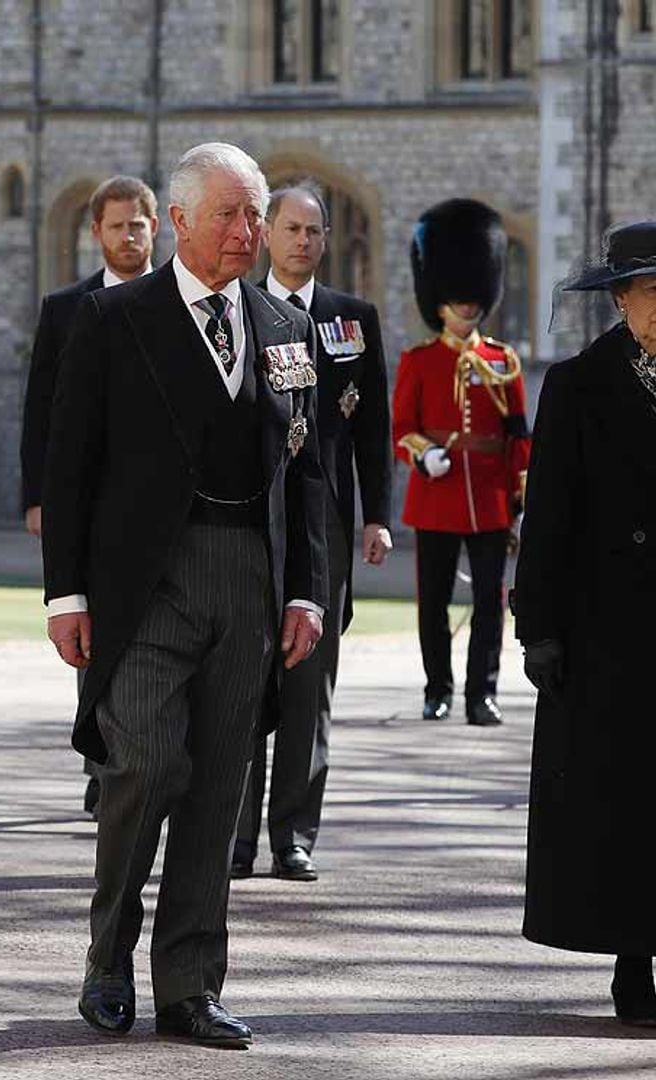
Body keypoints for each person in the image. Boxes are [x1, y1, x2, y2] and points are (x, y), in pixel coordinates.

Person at [44, 142, 328, 1048]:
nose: (250, 233)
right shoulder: (112, 319)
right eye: (232, 216)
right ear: (178, 222)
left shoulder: (285, 330)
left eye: (257, 215)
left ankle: (192, 987)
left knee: (216, 788)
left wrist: (308, 592)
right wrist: (65, 597)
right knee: (146, 765)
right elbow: (71, 465)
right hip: (145, 584)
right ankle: (108, 960)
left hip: (249, 576)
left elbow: (308, 470)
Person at [514, 221, 656, 1026]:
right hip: (610, 628)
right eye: (651, 294)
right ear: (622, 299)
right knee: (622, 804)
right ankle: (632, 960)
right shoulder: (575, 385)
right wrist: (540, 627)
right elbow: (551, 515)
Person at [233, 184, 392, 882]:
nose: (303, 241)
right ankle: (234, 836)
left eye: (314, 231)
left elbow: (374, 429)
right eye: (291, 228)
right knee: (242, 683)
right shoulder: (237, 308)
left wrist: (377, 516)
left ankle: (293, 833)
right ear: (267, 233)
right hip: (251, 514)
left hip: (323, 522)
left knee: (308, 683)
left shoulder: (351, 321)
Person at [19, 174, 158, 817]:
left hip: (156, 499)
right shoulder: (66, 309)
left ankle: (142, 760)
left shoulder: (177, 303)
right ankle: (102, 761)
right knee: (94, 637)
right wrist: (38, 496)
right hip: (92, 504)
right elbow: (42, 411)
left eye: (139, 223)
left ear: (156, 227)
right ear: (95, 232)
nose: (129, 235)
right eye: (116, 225)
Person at [392, 199, 530, 727]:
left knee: (492, 606)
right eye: (456, 298)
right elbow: (402, 428)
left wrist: (518, 494)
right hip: (436, 496)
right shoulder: (419, 361)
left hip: (491, 498)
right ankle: (438, 690)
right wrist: (425, 454)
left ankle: (483, 694)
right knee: (433, 602)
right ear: (438, 300)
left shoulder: (504, 361)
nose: (467, 307)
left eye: (473, 298)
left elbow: (518, 434)